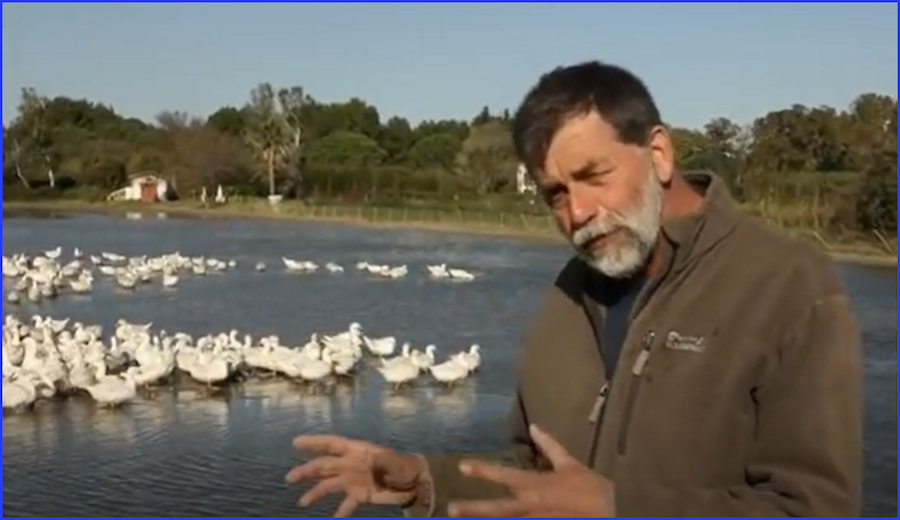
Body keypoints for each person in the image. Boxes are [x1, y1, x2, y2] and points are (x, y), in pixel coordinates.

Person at [285, 61, 864, 517]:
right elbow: (538, 473)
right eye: (555, 194)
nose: (578, 212)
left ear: (659, 153)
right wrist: (424, 479)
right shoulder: (571, 291)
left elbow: (815, 508)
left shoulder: (787, 284)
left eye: (593, 176)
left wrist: (623, 511)